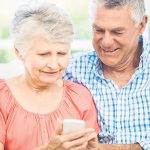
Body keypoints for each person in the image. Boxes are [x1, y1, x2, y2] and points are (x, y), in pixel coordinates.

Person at [0, 1, 100, 150]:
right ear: (19, 52)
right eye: (43, 54)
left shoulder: (80, 97)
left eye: (61, 53)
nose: (54, 64)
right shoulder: (2, 98)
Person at [64, 0, 150, 149]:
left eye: (117, 32)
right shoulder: (72, 70)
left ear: (141, 25)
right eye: (98, 30)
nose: (106, 42)